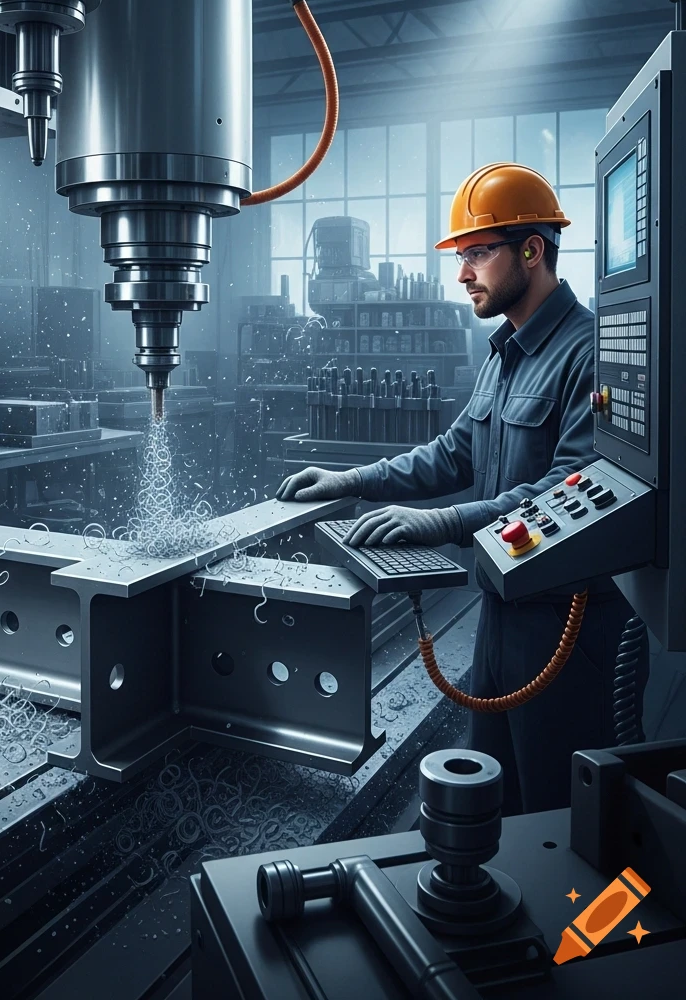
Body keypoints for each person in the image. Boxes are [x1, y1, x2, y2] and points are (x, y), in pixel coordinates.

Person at [276, 163, 649, 816]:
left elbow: (570, 488)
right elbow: (453, 453)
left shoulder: (589, 354)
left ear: (531, 251)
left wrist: (442, 523)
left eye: (478, 253)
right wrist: (351, 479)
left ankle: (567, 923)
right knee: (495, 809)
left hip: (569, 628)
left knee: (558, 819)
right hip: (500, 614)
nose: (463, 272)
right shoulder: (504, 353)